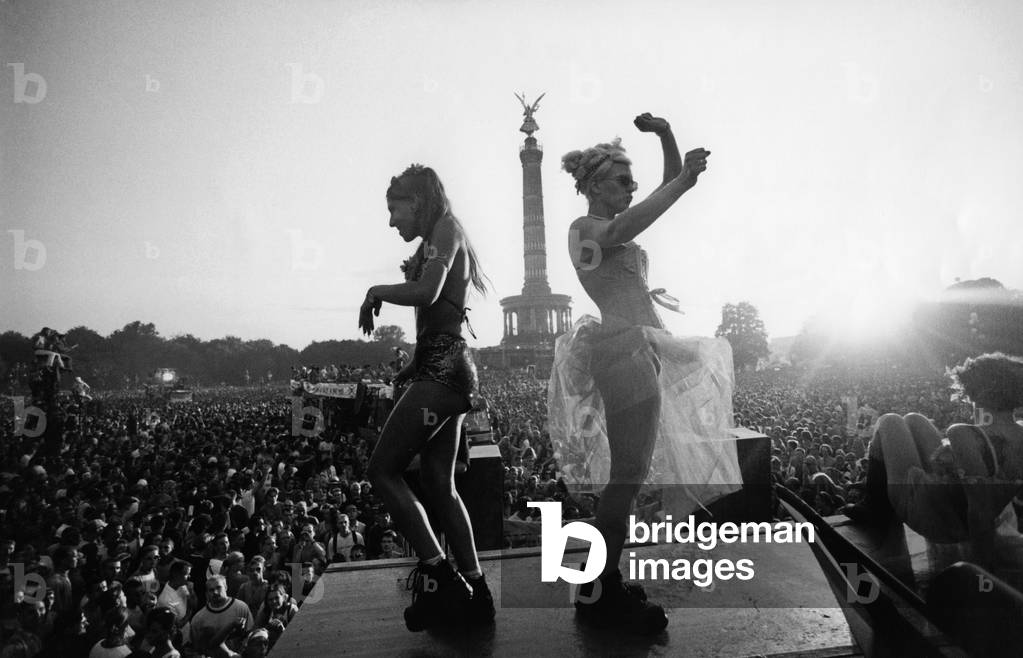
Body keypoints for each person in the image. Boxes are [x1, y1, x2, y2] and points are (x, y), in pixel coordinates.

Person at [551, 113, 741, 634]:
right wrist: (681, 181)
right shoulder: (585, 230)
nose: (631, 188)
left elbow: (666, 187)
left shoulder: (606, 227)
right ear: (594, 186)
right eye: (622, 180)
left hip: (638, 349)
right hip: (622, 352)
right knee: (626, 478)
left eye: (632, 181)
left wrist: (666, 134)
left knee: (628, 479)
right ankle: (600, 589)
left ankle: (600, 583)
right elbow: (626, 225)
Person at [361, 164, 494, 631]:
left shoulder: (446, 228)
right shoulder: (436, 237)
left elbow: (427, 291)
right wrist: (411, 365)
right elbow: (437, 320)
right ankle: (477, 590)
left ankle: (442, 578)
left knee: (381, 471)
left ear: (416, 202)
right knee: (440, 483)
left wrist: (375, 291)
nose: (390, 221)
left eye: (394, 209)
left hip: (444, 372)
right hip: (444, 367)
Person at [843, 353, 1023, 571]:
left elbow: (980, 512)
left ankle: (874, 507)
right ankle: (874, 503)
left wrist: (981, 573)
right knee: (915, 419)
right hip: (957, 502)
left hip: (941, 520)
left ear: (976, 392)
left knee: (889, 421)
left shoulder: (964, 433)